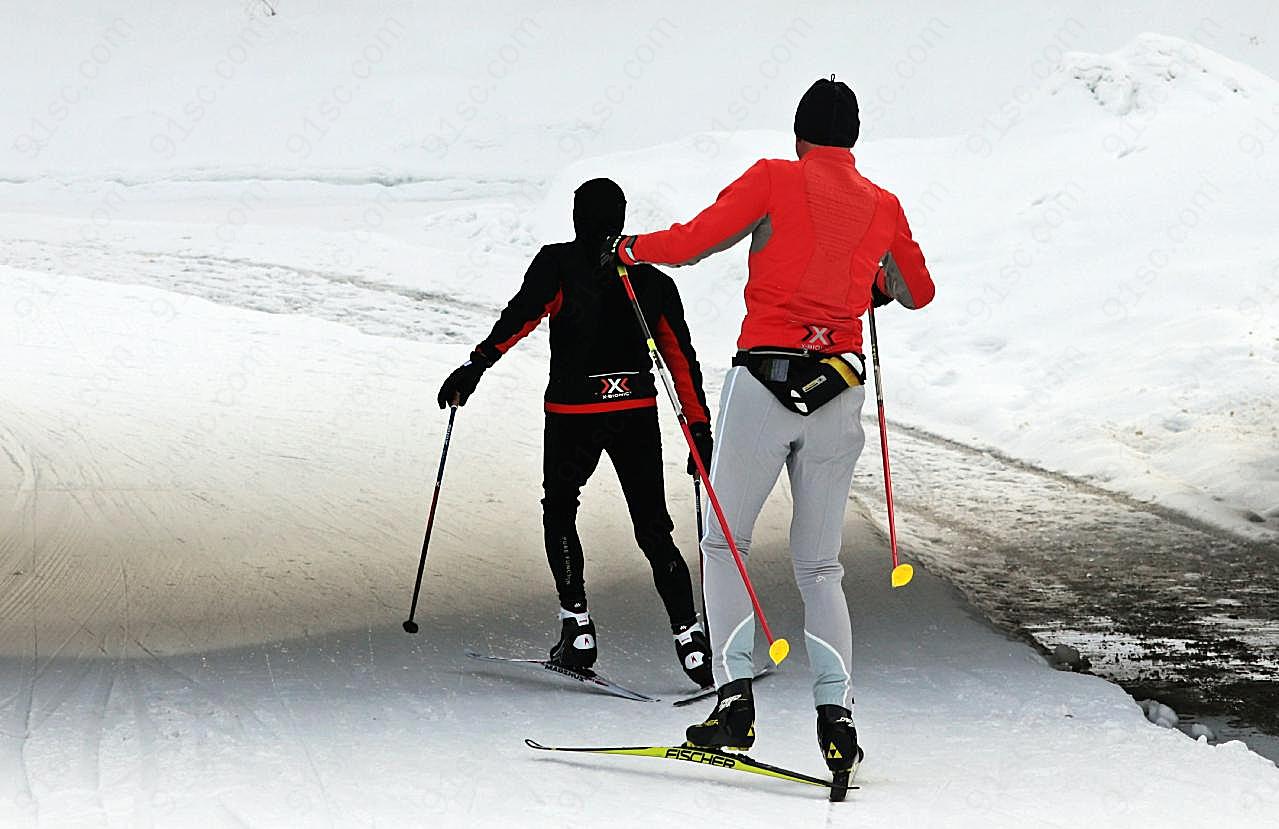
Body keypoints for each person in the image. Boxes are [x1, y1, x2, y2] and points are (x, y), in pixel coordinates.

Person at [607, 78, 935, 775]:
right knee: (819, 564)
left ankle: (734, 705)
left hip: (764, 382)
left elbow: (694, 242)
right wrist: (872, 285)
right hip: (839, 391)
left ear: (799, 136)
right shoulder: (882, 202)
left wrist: (630, 248)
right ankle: (836, 716)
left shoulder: (773, 178)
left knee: (725, 541)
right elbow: (916, 290)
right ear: (851, 140)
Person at [438, 178, 715, 688]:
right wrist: (699, 429)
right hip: (634, 411)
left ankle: (578, 630)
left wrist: (473, 369)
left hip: (573, 415)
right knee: (654, 526)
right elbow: (681, 360)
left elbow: (518, 320)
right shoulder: (651, 281)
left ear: (575, 217)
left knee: (561, 508)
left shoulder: (557, 263)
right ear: (622, 218)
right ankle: (692, 641)